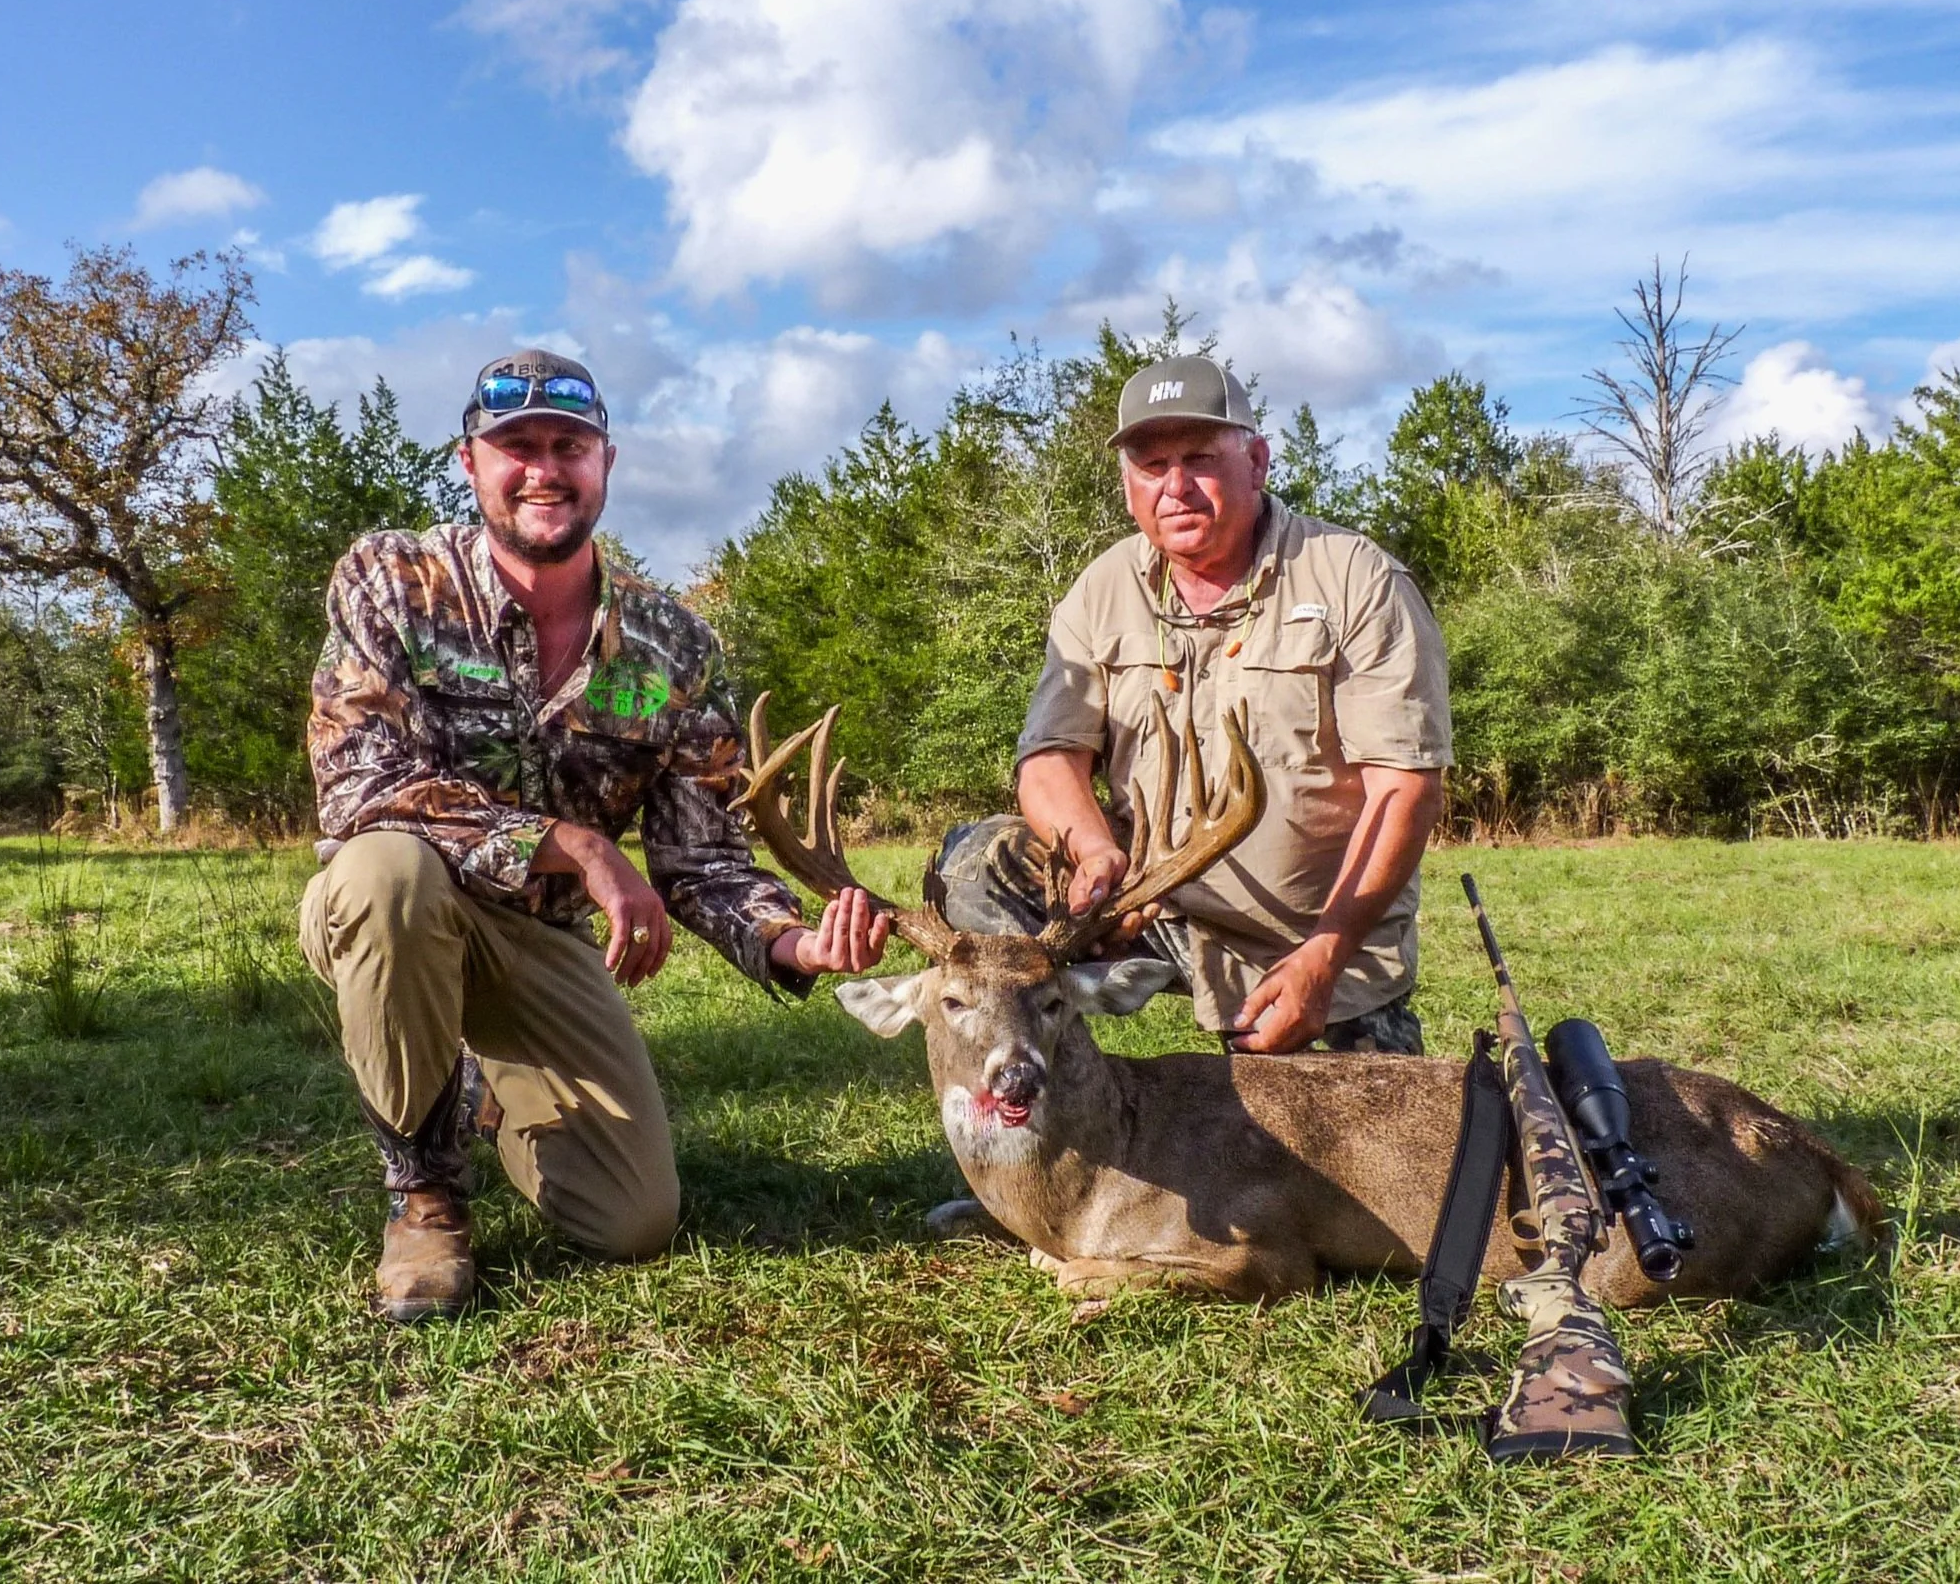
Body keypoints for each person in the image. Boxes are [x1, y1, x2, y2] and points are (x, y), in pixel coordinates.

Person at [300, 349, 889, 1322]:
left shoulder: (670, 649)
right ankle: (424, 1191)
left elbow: (700, 856)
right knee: (389, 877)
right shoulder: (392, 583)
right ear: (469, 462)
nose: (542, 467)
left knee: (631, 1220)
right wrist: (578, 846)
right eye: (515, 446)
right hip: (395, 896)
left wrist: (788, 935)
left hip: (537, 940)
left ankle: (489, 1085)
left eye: (566, 445)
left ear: (605, 462)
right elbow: (363, 787)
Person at [939, 352, 1451, 1057]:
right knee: (974, 864)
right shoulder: (1104, 587)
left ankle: (1313, 1005)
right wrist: (1095, 855)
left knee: (1355, 1153)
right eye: (1152, 466)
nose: (1176, 486)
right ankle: (1049, 1089)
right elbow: (1050, 758)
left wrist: (1325, 955)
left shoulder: (1356, 579)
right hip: (1149, 907)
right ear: (1128, 488)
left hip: (1311, 935)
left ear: (1257, 463)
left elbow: (1405, 790)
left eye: (1200, 458)